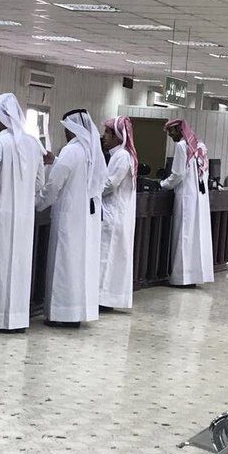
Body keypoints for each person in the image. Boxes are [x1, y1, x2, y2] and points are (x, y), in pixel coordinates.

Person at [0, 94, 44, 331]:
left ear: (2, 117)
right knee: (19, 265)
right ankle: (17, 318)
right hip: (25, 216)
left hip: (0, 212)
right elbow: (40, 182)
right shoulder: (33, 143)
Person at [37, 109, 105, 325]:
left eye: (67, 129)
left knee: (64, 262)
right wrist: (55, 160)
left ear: (73, 129)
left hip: (68, 217)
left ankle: (61, 314)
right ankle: (76, 313)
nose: (65, 133)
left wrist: (38, 203)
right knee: (80, 265)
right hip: (86, 218)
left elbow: (54, 184)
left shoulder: (71, 150)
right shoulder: (91, 151)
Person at [160, 118, 214, 287]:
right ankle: (194, 276)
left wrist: (163, 185)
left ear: (179, 130)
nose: (170, 136)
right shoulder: (200, 145)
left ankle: (181, 278)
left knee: (184, 236)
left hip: (186, 197)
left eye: (171, 131)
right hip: (200, 197)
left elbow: (178, 174)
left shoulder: (182, 146)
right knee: (197, 236)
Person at [99, 116, 137, 310]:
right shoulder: (118, 155)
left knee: (107, 257)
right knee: (110, 257)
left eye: (107, 132)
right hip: (114, 213)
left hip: (113, 214)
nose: (104, 136)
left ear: (117, 136)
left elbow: (110, 184)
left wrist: (90, 188)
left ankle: (104, 300)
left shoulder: (121, 156)